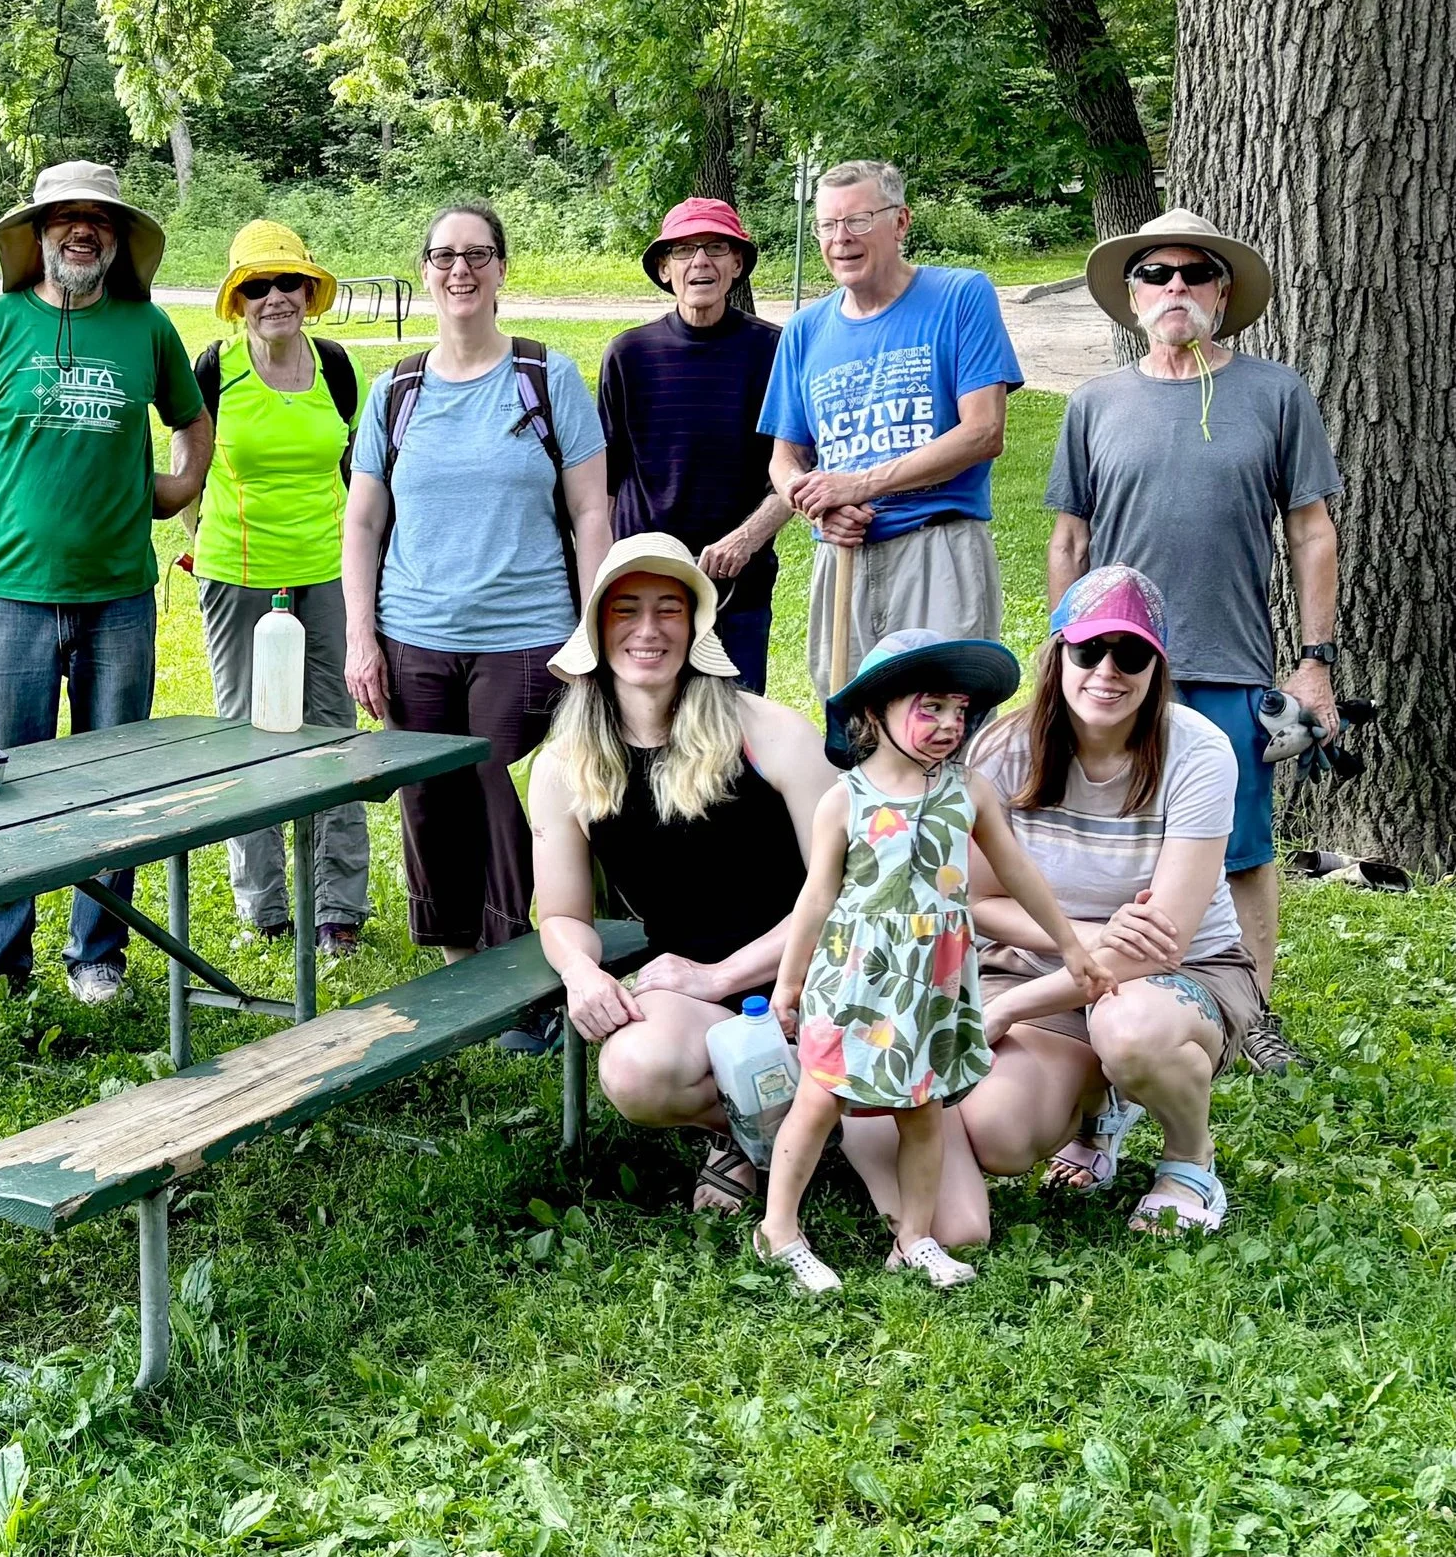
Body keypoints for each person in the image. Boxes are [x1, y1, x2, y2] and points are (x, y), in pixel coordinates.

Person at [1052, 208, 1343, 1073]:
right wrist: (1064, 653)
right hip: (1115, 668)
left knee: (1242, 847)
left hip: (1229, 658)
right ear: (1133, 296)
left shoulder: (1275, 393)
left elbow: (1312, 532)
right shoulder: (1094, 403)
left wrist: (1316, 664)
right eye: (1155, 273)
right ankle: (1111, 996)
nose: (1174, 286)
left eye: (1194, 273)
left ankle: (1252, 1015)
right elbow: (1069, 541)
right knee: (1115, 836)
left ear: (1221, 292)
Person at [754, 630, 1109, 1295]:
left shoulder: (969, 791)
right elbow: (817, 897)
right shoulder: (845, 800)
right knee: (820, 1100)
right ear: (876, 712)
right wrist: (790, 982)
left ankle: (915, 1237)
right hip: (854, 979)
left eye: (959, 710)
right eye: (930, 708)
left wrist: (1067, 943)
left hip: (932, 984)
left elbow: (1016, 872)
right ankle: (779, 1230)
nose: (949, 724)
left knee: (922, 1107)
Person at [0, 162, 213, 1004]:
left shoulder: (147, 328)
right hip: (12, 593)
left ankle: (98, 952)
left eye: (100, 218)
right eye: (66, 217)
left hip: (119, 597)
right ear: (40, 234)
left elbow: (193, 420)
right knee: (0, 781)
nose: (82, 230)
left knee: (115, 782)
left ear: (118, 239)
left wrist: (178, 487)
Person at [529, 535, 837, 1213]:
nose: (648, 630)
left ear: (695, 627)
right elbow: (562, 916)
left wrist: (721, 975)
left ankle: (811, 1116)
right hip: (693, 995)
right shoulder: (564, 766)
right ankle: (762, 1128)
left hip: (814, 975)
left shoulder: (770, 735)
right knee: (633, 1072)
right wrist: (581, 974)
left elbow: (844, 894)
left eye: (669, 609)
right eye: (626, 610)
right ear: (597, 628)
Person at [958, 566, 1266, 1234]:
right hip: (1044, 965)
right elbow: (979, 902)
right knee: (999, 1138)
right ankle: (1098, 1110)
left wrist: (1007, 1007)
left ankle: (1190, 1161)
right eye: (1089, 649)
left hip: (1178, 974)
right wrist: (1091, 938)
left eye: (1131, 654)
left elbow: (1163, 942)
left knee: (1129, 1030)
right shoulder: (1003, 749)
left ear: (1157, 667)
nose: (1107, 670)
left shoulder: (1199, 751)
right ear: (1057, 653)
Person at [343, 203, 611, 962]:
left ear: (501, 268)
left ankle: (515, 963)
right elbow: (362, 521)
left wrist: (594, 632)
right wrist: (361, 637)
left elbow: (591, 511)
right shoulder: (395, 391)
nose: (460, 269)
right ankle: (455, 959)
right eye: (444, 256)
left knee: (498, 791)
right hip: (412, 636)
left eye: (477, 254)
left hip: (525, 637)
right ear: (425, 271)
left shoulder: (546, 377)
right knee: (427, 800)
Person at [759, 160, 1025, 699]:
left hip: (937, 548)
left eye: (859, 220)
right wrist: (815, 504)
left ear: (901, 222)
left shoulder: (960, 296)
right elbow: (785, 458)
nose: (841, 239)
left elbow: (983, 432)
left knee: (944, 718)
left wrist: (857, 485)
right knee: (852, 726)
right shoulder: (805, 330)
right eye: (827, 225)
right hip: (842, 556)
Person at [182, 221, 369, 951]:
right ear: (238, 300)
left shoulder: (337, 368)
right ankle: (263, 908)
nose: (275, 298)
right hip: (237, 575)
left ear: (309, 291)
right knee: (246, 735)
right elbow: (189, 473)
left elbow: (356, 473)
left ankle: (338, 908)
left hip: (326, 572)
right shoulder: (214, 370)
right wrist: (204, 544)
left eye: (288, 282)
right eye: (256, 286)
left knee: (333, 732)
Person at [598, 198, 790, 691]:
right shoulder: (629, 354)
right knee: (646, 721)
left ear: (737, 264)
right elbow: (603, 483)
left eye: (716, 248)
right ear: (665, 268)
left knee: (736, 722)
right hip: (645, 584)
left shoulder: (775, 351)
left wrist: (746, 540)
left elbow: (797, 467)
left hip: (738, 583)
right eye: (684, 250)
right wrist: (604, 573)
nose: (700, 261)